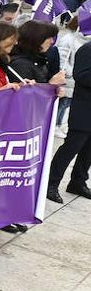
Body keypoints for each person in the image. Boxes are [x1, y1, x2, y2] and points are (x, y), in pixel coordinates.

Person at [48, 40, 91, 203]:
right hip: (84, 109)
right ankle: (51, 183)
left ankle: (78, 182)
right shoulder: (87, 49)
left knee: (88, 151)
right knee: (71, 147)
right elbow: (82, 76)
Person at [9, 20, 65, 92]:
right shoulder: (20, 64)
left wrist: (56, 90)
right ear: (37, 39)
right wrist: (51, 85)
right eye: (48, 38)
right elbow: (25, 95)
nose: (52, 41)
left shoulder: (38, 59)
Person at [56, 16, 88, 135]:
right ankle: (56, 124)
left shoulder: (81, 40)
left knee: (66, 104)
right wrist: (72, 72)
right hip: (68, 78)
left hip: (73, 80)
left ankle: (59, 124)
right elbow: (63, 58)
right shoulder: (68, 39)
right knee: (62, 104)